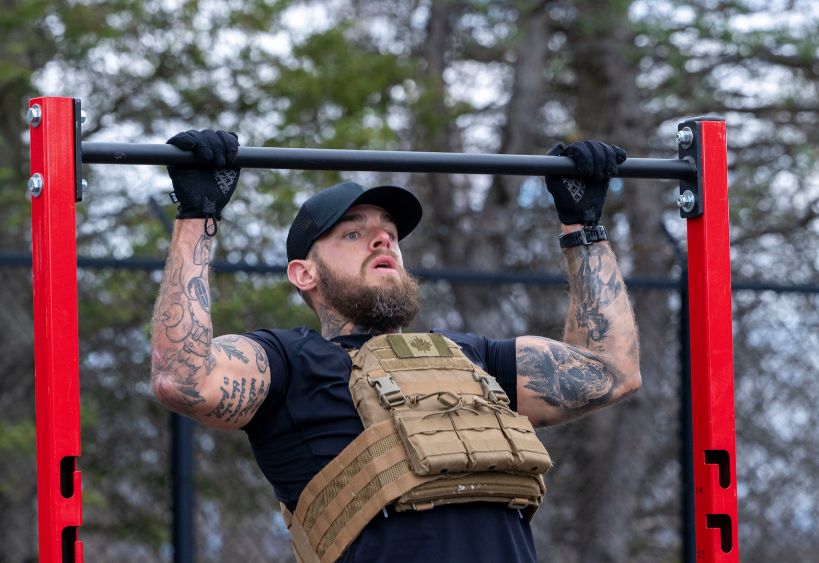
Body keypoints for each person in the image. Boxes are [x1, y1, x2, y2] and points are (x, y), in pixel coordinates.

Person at [150, 130, 641, 563]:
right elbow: (184, 377)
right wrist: (199, 215)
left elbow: (613, 370)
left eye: (390, 234)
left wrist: (584, 227)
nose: (382, 240)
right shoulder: (288, 365)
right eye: (355, 232)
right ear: (305, 274)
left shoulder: (474, 359)